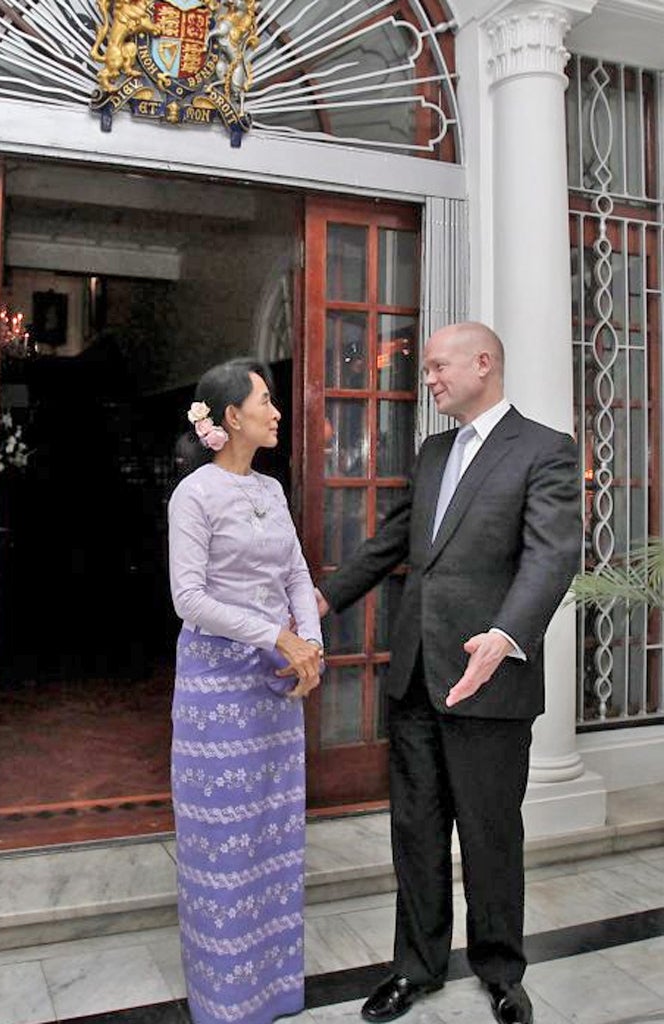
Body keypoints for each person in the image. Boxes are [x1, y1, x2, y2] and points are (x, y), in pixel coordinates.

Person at [316, 322, 582, 1024]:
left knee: (492, 837)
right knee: (416, 833)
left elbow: (551, 556)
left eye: (438, 366)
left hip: (489, 684)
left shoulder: (545, 450)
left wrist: (504, 635)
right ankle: (416, 968)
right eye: (427, 367)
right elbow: (393, 541)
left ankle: (500, 971)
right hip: (414, 683)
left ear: (483, 363)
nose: (427, 378)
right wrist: (322, 598)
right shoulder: (433, 451)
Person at [168, 357, 323, 1024]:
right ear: (232, 417)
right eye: (266, 400)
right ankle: (226, 1001)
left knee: (274, 836)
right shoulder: (194, 495)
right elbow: (189, 599)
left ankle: (276, 987)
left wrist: (308, 645)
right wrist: (276, 637)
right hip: (216, 689)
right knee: (222, 849)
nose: (276, 411)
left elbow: (296, 573)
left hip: (274, 685)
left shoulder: (271, 490)